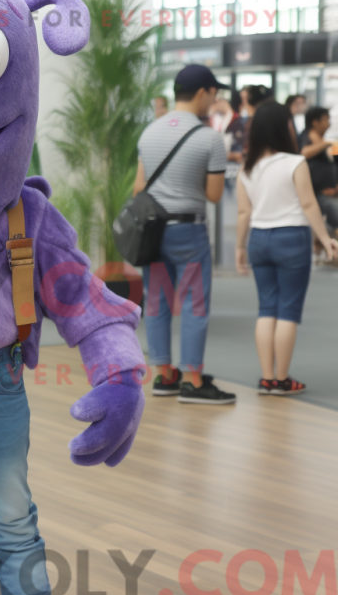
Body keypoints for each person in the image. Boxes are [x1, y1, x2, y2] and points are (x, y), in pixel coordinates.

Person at [133, 64, 235, 404]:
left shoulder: (149, 133)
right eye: (214, 93)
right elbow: (215, 194)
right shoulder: (209, 138)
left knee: (157, 301)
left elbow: (139, 187)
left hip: (152, 231)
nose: (215, 100)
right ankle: (192, 379)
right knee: (194, 303)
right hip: (188, 231)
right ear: (203, 92)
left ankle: (164, 376)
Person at [236, 100, 338, 394]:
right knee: (288, 311)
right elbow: (308, 204)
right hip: (291, 238)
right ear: (284, 128)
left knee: (267, 308)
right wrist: (326, 238)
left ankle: (267, 378)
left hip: (259, 240)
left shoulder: (247, 167)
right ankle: (282, 379)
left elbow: (244, 213)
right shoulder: (295, 162)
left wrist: (240, 248)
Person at [298, 106, 338, 239]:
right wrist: (327, 143)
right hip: (318, 194)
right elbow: (304, 152)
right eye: (326, 119)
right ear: (315, 122)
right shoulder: (306, 137)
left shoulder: (322, 141)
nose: (329, 123)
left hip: (330, 193)